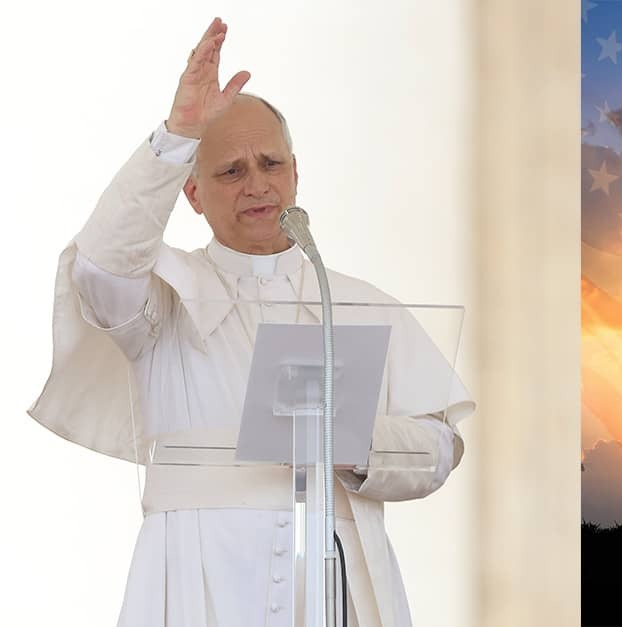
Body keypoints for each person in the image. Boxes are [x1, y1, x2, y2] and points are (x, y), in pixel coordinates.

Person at [26, 18, 473, 627]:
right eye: (230, 171)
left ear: (295, 172)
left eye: (270, 163)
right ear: (192, 193)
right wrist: (178, 132)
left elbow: (441, 447)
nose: (258, 185)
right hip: (196, 573)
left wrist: (356, 444)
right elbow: (101, 262)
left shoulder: (358, 301)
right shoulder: (159, 300)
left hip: (331, 573)